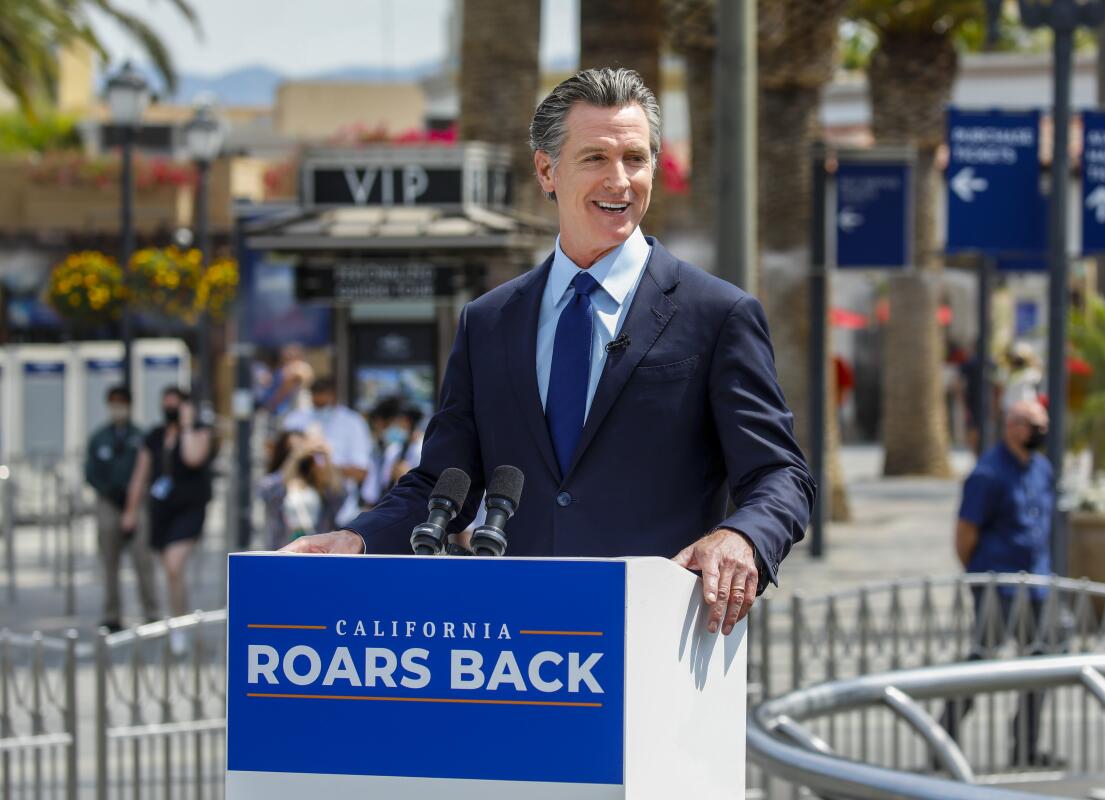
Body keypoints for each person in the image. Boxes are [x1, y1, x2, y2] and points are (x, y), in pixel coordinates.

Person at [283, 67, 815, 638]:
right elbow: (444, 482)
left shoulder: (717, 314)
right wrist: (357, 538)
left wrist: (742, 537)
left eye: (635, 159)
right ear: (546, 171)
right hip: (521, 651)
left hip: (658, 643)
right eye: (595, 159)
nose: (620, 180)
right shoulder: (489, 322)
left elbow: (780, 474)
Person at [941, 399, 1061, 768]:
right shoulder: (988, 474)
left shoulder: (1042, 468)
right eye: (1032, 424)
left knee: (1038, 666)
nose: (1041, 431)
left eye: (1043, 423)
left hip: (1037, 585)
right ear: (1011, 427)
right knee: (981, 664)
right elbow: (965, 533)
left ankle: (1025, 748)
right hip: (998, 587)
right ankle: (942, 743)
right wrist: (979, 574)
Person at [123, 387, 214, 651]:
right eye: (167, 405)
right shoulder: (154, 436)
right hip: (162, 510)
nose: (171, 410)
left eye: (177, 405)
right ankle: (178, 618)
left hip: (190, 509)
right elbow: (140, 474)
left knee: (175, 565)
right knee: (171, 571)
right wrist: (130, 511)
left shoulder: (199, 431)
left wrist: (186, 425)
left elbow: (192, 457)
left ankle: (179, 626)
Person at [84, 386, 159, 631]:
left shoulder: (140, 437)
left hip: (136, 503)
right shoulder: (99, 437)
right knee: (109, 561)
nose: (117, 408)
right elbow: (90, 471)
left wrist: (131, 501)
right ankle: (111, 615)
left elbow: (148, 471)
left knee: (142, 559)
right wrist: (108, 490)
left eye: (122, 402)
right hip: (108, 502)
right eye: (113, 402)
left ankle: (151, 612)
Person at [282, 377, 373, 527]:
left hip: (338, 505)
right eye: (316, 398)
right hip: (298, 497)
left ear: (333, 395)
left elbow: (361, 471)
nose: (320, 403)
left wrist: (326, 464)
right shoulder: (295, 419)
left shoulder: (353, 422)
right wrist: (303, 454)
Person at [259, 430, 347, 549]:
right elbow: (266, 491)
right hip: (282, 549)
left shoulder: (325, 488)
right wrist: (295, 459)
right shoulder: (278, 484)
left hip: (317, 551)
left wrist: (325, 459)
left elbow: (339, 495)